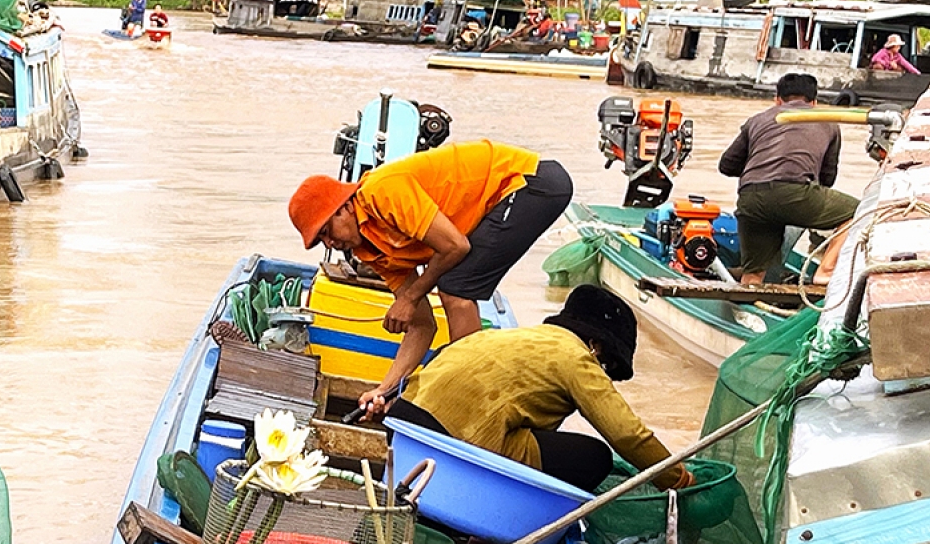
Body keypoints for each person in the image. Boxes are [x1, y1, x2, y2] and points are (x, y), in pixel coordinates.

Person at [288, 140, 574, 416]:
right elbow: (421, 326)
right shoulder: (370, 251)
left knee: (455, 289)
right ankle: (472, 391)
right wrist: (384, 390)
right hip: (501, 204)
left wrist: (411, 298)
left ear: (345, 208)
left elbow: (455, 246)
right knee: (455, 286)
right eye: (321, 241)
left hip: (530, 183)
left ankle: (473, 399)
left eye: (327, 231)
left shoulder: (381, 192)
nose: (330, 243)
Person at [384, 285, 692, 492]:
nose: (603, 373)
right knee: (595, 457)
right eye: (607, 366)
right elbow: (626, 434)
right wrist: (676, 478)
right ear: (596, 346)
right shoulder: (576, 357)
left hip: (402, 428)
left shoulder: (507, 338)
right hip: (451, 446)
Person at [719, 72, 856, 286]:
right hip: (796, 195)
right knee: (860, 212)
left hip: (750, 198)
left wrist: (761, 170)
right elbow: (827, 179)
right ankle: (826, 271)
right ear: (814, 102)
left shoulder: (757, 120)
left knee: (753, 274)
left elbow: (726, 166)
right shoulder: (828, 123)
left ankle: (747, 297)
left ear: (777, 99)